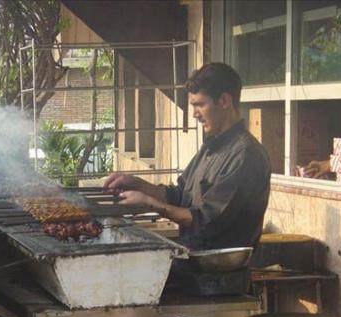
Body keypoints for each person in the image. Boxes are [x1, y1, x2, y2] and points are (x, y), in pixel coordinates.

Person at [104, 63, 271, 250]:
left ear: (224, 101)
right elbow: (178, 195)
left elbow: (206, 220)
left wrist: (150, 204)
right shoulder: (210, 148)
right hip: (194, 265)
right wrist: (137, 184)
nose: (194, 114)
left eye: (200, 104)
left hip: (222, 273)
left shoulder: (245, 155)